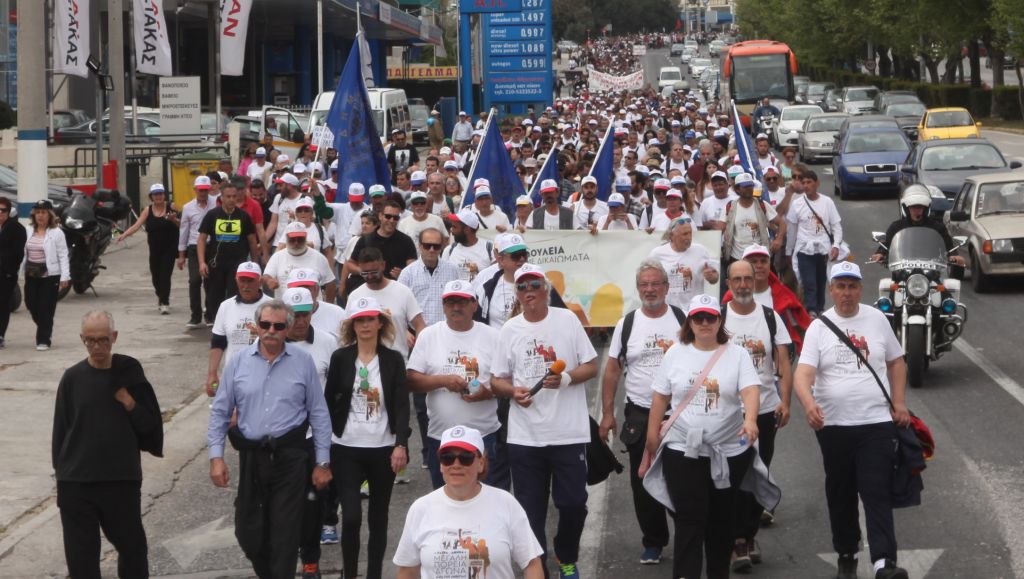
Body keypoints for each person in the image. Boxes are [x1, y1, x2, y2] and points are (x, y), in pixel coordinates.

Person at [793, 262, 911, 579]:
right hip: (834, 427)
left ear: (861, 289)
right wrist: (808, 403)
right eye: (841, 286)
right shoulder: (819, 328)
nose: (847, 292)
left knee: (876, 491)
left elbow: (896, 363)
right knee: (841, 492)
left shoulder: (876, 320)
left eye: (852, 286)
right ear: (831, 289)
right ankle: (846, 553)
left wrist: (899, 402)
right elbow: (803, 374)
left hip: (876, 423)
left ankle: (884, 563)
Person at [208, 299, 334, 579]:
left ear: (287, 329)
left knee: (285, 534)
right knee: (248, 532)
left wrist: (322, 462)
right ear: (256, 326)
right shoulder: (238, 362)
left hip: (291, 458)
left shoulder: (303, 363)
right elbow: (220, 412)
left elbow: (319, 414)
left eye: (278, 326)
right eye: (265, 324)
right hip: (252, 456)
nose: (271, 331)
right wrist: (216, 458)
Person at [490, 263, 598, 579]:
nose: (528, 292)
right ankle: (538, 568)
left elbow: (591, 366)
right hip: (525, 436)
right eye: (522, 287)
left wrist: (565, 378)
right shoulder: (509, 329)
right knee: (529, 511)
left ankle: (566, 555)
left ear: (546, 289)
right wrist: (513, 391)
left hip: (568, 433)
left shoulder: (566, 320)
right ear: (517, 294)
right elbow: (497, 380)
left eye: (534, 285)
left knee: (574, 503)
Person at [644, 294, 761, 579]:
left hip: (727, 450)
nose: (705, 323)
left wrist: (750, 420)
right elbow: (660, 397)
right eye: (699, 318)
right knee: (689, 517)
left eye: (711, 317)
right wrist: (651, 435)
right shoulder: (675, 352)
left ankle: (718, 573)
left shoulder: (738, 354)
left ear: (719, 321)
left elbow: (750, 390)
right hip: (683, 448)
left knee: (721, 521)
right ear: (690, 322)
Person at [53, 310, 163, 579]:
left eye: (103, 340)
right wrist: (62, 477)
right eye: (90, 340)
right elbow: (60, 433)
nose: (97, 346)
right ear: (82, 339)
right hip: (77, 483)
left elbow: (150, 427)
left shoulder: (129, 375)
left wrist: (129, 403)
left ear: (114, 337)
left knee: (134, 550)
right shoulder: (72, 378)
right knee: (82, 562)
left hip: (120, 481)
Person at [599, 260, 685, 566]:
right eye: (644, 285)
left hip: (677, 415)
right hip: (639, 413)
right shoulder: (628, 323)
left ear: (666, 286)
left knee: (681, 479)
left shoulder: (681, 319)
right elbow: (612, 370)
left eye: (655, 284)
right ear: (639, 289)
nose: (650, 290)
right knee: (644, 479)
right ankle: (654, 541)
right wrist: (608, 414)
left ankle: (689, 538)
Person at [323, 297, 411, 579]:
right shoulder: (340, 358)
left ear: (379, 323)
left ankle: (374, 574)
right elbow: (328, 402)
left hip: (382, 448)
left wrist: (401, 444)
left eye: (370, 319)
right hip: (345, 447)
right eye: (359, 320)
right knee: (350, 517)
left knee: (378, 518)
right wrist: (323, 449)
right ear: (353, 325)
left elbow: (401, 405)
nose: (365, 325)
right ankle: (350, 574)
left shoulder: (394, 360)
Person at [393, 425, 545, 579]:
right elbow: (408, 571)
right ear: (440, 464)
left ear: (481, 463)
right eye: (447, 458)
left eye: (466, 458)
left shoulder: (505, 503)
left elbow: (532, 563)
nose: (456, 464)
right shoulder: (421, 508)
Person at [721, 260, 793, 571]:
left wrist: (785, 401)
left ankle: (749, 535)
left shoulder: (769, 316)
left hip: (764, 409)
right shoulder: (719, 318)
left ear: (756, 280)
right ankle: (737, 540)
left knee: (758, 473)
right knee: (733, 477)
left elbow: (784, 363)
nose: (742, 285)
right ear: (728, 283)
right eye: (736, 279)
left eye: (747, 279)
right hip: (727, 414)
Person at [407, 281, 503, 489]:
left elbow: (507, 382)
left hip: (483, 435)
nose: (456, 307)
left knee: (487, 502)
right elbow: (412, 380)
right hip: (440, 437)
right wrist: (444, 381)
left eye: (461, 302)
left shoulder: (493, 336)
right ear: (443, 306)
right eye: (450, 302)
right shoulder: (429, 335)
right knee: (445, 504)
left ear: (474, 305)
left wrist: (487, 393)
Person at [280, 287, 340, 579]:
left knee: (313, 503)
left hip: (316, 438)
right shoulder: (272, 344)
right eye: (293, 316)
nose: (299, 321)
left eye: (304, 314)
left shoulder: (328, 343)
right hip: (281, 439)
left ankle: (311, 562)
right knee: (283, 505)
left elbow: (340, 389)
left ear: (312, 312)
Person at [723, 244, 812, 354]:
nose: (759, 265)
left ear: (770, 264)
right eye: (753, 262)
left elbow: (798, 330)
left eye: (763, 261)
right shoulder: (730, 298)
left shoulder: (784, 296)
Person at [205, 262, 272, 396]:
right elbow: (218, 342)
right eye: (242, 280)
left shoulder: (272, 306)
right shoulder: (226, 307)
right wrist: (212, 373)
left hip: (265, 377)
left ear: (259, 282)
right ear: (236, 280)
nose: (246, 286)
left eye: (250, 281)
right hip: (233, 377)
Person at [197, 182, 260, 321]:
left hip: (237, 264)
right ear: (222, 198)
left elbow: (252, 241)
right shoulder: (212, 215)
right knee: (214, 295)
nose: (231, 199)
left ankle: (232, 321)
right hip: (215, 263)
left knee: (234, 295)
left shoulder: (244, 216)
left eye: (234, 196)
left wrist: (255, 263)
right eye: (228, 196)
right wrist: (202, 262)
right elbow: (201, 239)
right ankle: (216, 322)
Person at [116, 184, 180, 314]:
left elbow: (182, 225)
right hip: (155, 249)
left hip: (170, 248)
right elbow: (137, 225)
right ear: (151, 197)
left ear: (164, 195)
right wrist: (124, 235)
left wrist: (174, 220)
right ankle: (160, 295)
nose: (158, 197)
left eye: (161, 194)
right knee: (155, 276)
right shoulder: (147, 210)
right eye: (155, 194)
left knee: (165, 275)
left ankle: (164, 302)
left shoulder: (172, 207)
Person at [787, 170, 842, 316]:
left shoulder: (827, 202)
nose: (806, 185)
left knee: (821, 281)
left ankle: (820, 309)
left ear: (817, 183)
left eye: (809, 182)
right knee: (809, 282)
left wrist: (836, 245)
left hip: (823, 250)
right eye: (803, 183)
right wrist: (789, 250)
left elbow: (836, 226)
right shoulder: (797, 204)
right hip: (804, 249)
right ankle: (811, 311)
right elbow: (792, 229)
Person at [870, 185, 965, 266]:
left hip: (931, 269)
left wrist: (954, 255)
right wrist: (880, 253)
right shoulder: (896, 227)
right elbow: (886, 244)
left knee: (949, 286)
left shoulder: (937, 227)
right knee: (885, 286)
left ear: (925, 208)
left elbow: (948, 246)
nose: (917, 210)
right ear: (907, 208)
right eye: (913, 207)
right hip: (902, 269)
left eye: (920, 207)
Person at [23, 200, 70, 350]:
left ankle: (44, 339)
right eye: (37, 212)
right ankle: (45, 325)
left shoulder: (57, 233)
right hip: (31, 274)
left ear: (49, 215)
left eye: (43, 213)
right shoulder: (28, 230)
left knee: (46, 308)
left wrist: (65, 276)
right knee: (31, 304)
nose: (40, 216)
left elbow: (63, 255)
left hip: (50, 276)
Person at [648, 217, 719, 312]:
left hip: (693, 310)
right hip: (668, 310)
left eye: (690, 233)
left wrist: (712, 276)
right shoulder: (657, 253)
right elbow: (648, 279)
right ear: (671, 235)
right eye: (684, 234)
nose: (689, 237)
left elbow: (714, 279)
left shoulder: (701, 251)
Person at [178, 175, 219, 328]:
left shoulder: (216, 204)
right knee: (194, 280)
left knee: (211, 281)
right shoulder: (188, 208)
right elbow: (184, 231)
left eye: (205, 190)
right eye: (200, 190)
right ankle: (195, 315)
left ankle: (210, 314)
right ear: (195, 190)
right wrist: (181, 255)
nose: (203, 193)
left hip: (212, 246)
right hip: (194, 247)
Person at [346, 201, 418, 287]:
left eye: (395, 218)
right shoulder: (365, 240)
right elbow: (350, 264)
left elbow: (413, 268)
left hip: (394, 288)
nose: (391, 220)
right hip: (369, 287)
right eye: (388, 216)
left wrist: (403, 274)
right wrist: (363, 271)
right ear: (380, 216)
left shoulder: (406, 241)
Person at [263, 222, 338, 302]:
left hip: (312, 309)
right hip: (285, 309)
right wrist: (269, 281)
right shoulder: (277, 257)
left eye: (300, 239)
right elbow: (266, 275)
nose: (296, 243)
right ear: (286, 238)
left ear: (306, 237)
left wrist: (328, 305)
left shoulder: (318, 257)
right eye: (292, 239)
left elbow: (330, 282)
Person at [723, 172, 784, 267]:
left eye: (750, 186)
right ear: (737, 189)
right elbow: (721, 227)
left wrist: (778, 239)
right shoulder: (730, 207)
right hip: (737, 258)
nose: (749, 189)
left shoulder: (762, 205)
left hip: (759, 258)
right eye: (745, 186)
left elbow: (782, 223)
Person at [0, 196, 26, 348]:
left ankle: (1, 335)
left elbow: (18, 253)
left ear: (8, 212)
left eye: (3, 210)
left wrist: (9, 269)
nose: (0, 213)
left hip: (5, 273)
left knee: (2, 304)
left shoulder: (16, 229)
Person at [443, 208, 493, 282]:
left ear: (467, 229)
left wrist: (478, 271)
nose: (451, 229)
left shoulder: (490, 249)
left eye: (454, 227)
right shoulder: (449, 250)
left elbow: (496, 279)